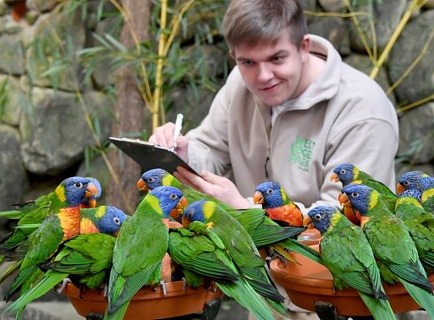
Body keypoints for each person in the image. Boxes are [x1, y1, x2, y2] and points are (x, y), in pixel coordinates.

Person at [150, 0, 398, 317]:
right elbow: (210, 148)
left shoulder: (363, 112)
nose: (263, 75)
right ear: (234, 58)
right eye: (248, 62)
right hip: (267, 290)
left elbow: (345, 225)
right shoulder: (239, 86)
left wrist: (243, 211)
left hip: (340, 293)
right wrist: (185, 153)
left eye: (276, 58)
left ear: (303, 46)